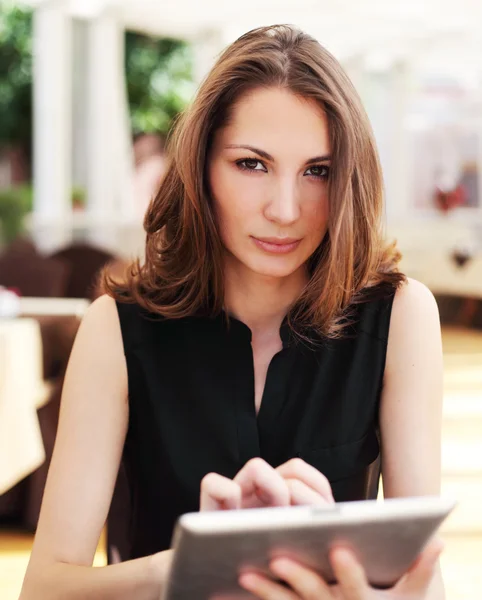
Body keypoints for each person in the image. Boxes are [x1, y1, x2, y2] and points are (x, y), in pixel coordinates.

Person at [20, 25, 445, 600]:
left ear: (347, 179)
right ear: (202, 167)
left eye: (317, 171)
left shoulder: (401, 317)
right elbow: (45, 589)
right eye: (252, 164)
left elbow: (425, 581)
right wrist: (198, 562)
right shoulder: (115, 329)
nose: (286, 210)